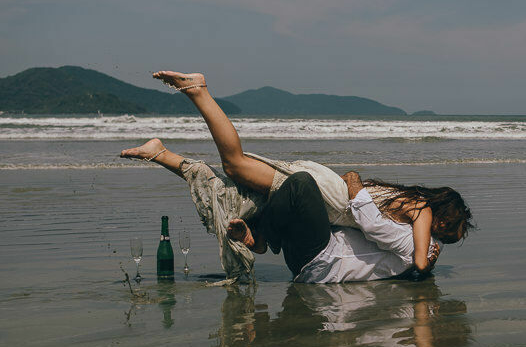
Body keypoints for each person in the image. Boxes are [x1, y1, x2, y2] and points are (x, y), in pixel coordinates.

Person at [119, 70, 474, 281]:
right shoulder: (422, 213)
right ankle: (198, 92)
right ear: (445, 214)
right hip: (328, 195)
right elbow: (387, 233)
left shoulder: (413, 216)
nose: (456, 237)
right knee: (235, 165)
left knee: (232, 189)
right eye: (457, 229)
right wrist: (355, 183)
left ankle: (162, 154)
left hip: (326, 202)